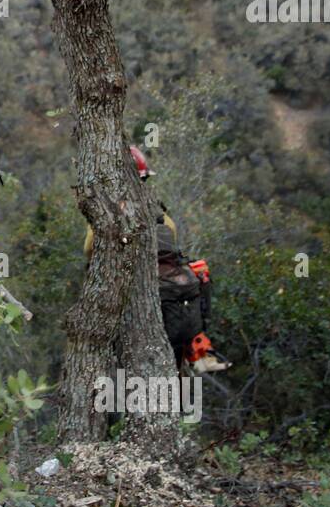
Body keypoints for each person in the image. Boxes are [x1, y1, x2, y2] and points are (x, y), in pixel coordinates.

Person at [85, 146, 227, 373]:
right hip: (168, 304)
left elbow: (89, 249)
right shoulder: (160, 214)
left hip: (129, 304)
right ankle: (197, 351)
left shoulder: (108, 214)